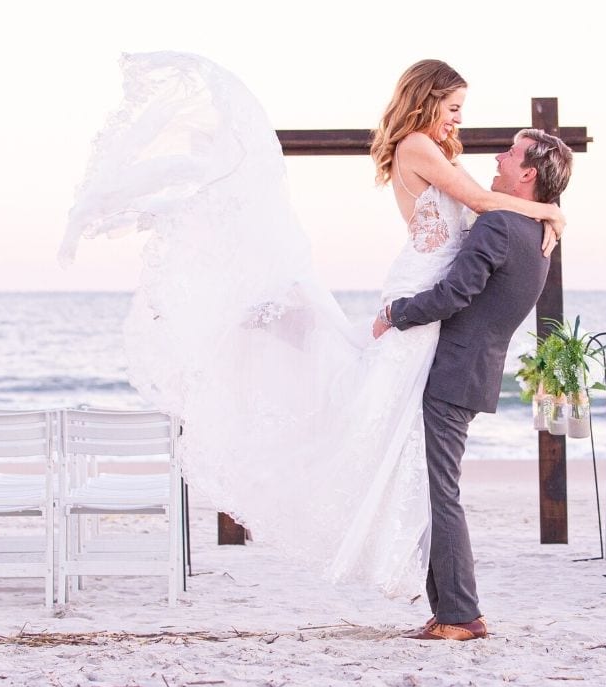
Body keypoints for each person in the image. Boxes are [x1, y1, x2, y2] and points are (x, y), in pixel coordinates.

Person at [58, 52, 568, 605]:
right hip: (419, 287)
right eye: (453, 109)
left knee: (365, 403)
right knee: (353, 392)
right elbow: (478, 203)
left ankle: (447, 598)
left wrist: (541, 212)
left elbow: (482, 213)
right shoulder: (418, 147)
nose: (458, 123)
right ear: (425, 99)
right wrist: (550, 213)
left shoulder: (439, 152)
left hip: (425, 297)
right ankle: (244, 325)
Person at [373, 129, 574, 640]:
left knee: (440, 493)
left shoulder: (502, 226)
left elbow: (452, 294)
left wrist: (397, 313)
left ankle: (461, 615)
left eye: (510, 152)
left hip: (451, 373)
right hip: (473, 371)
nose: (499, 157)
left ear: (527, 173)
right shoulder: (536, 234)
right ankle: (450, 612)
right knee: (436, 490)